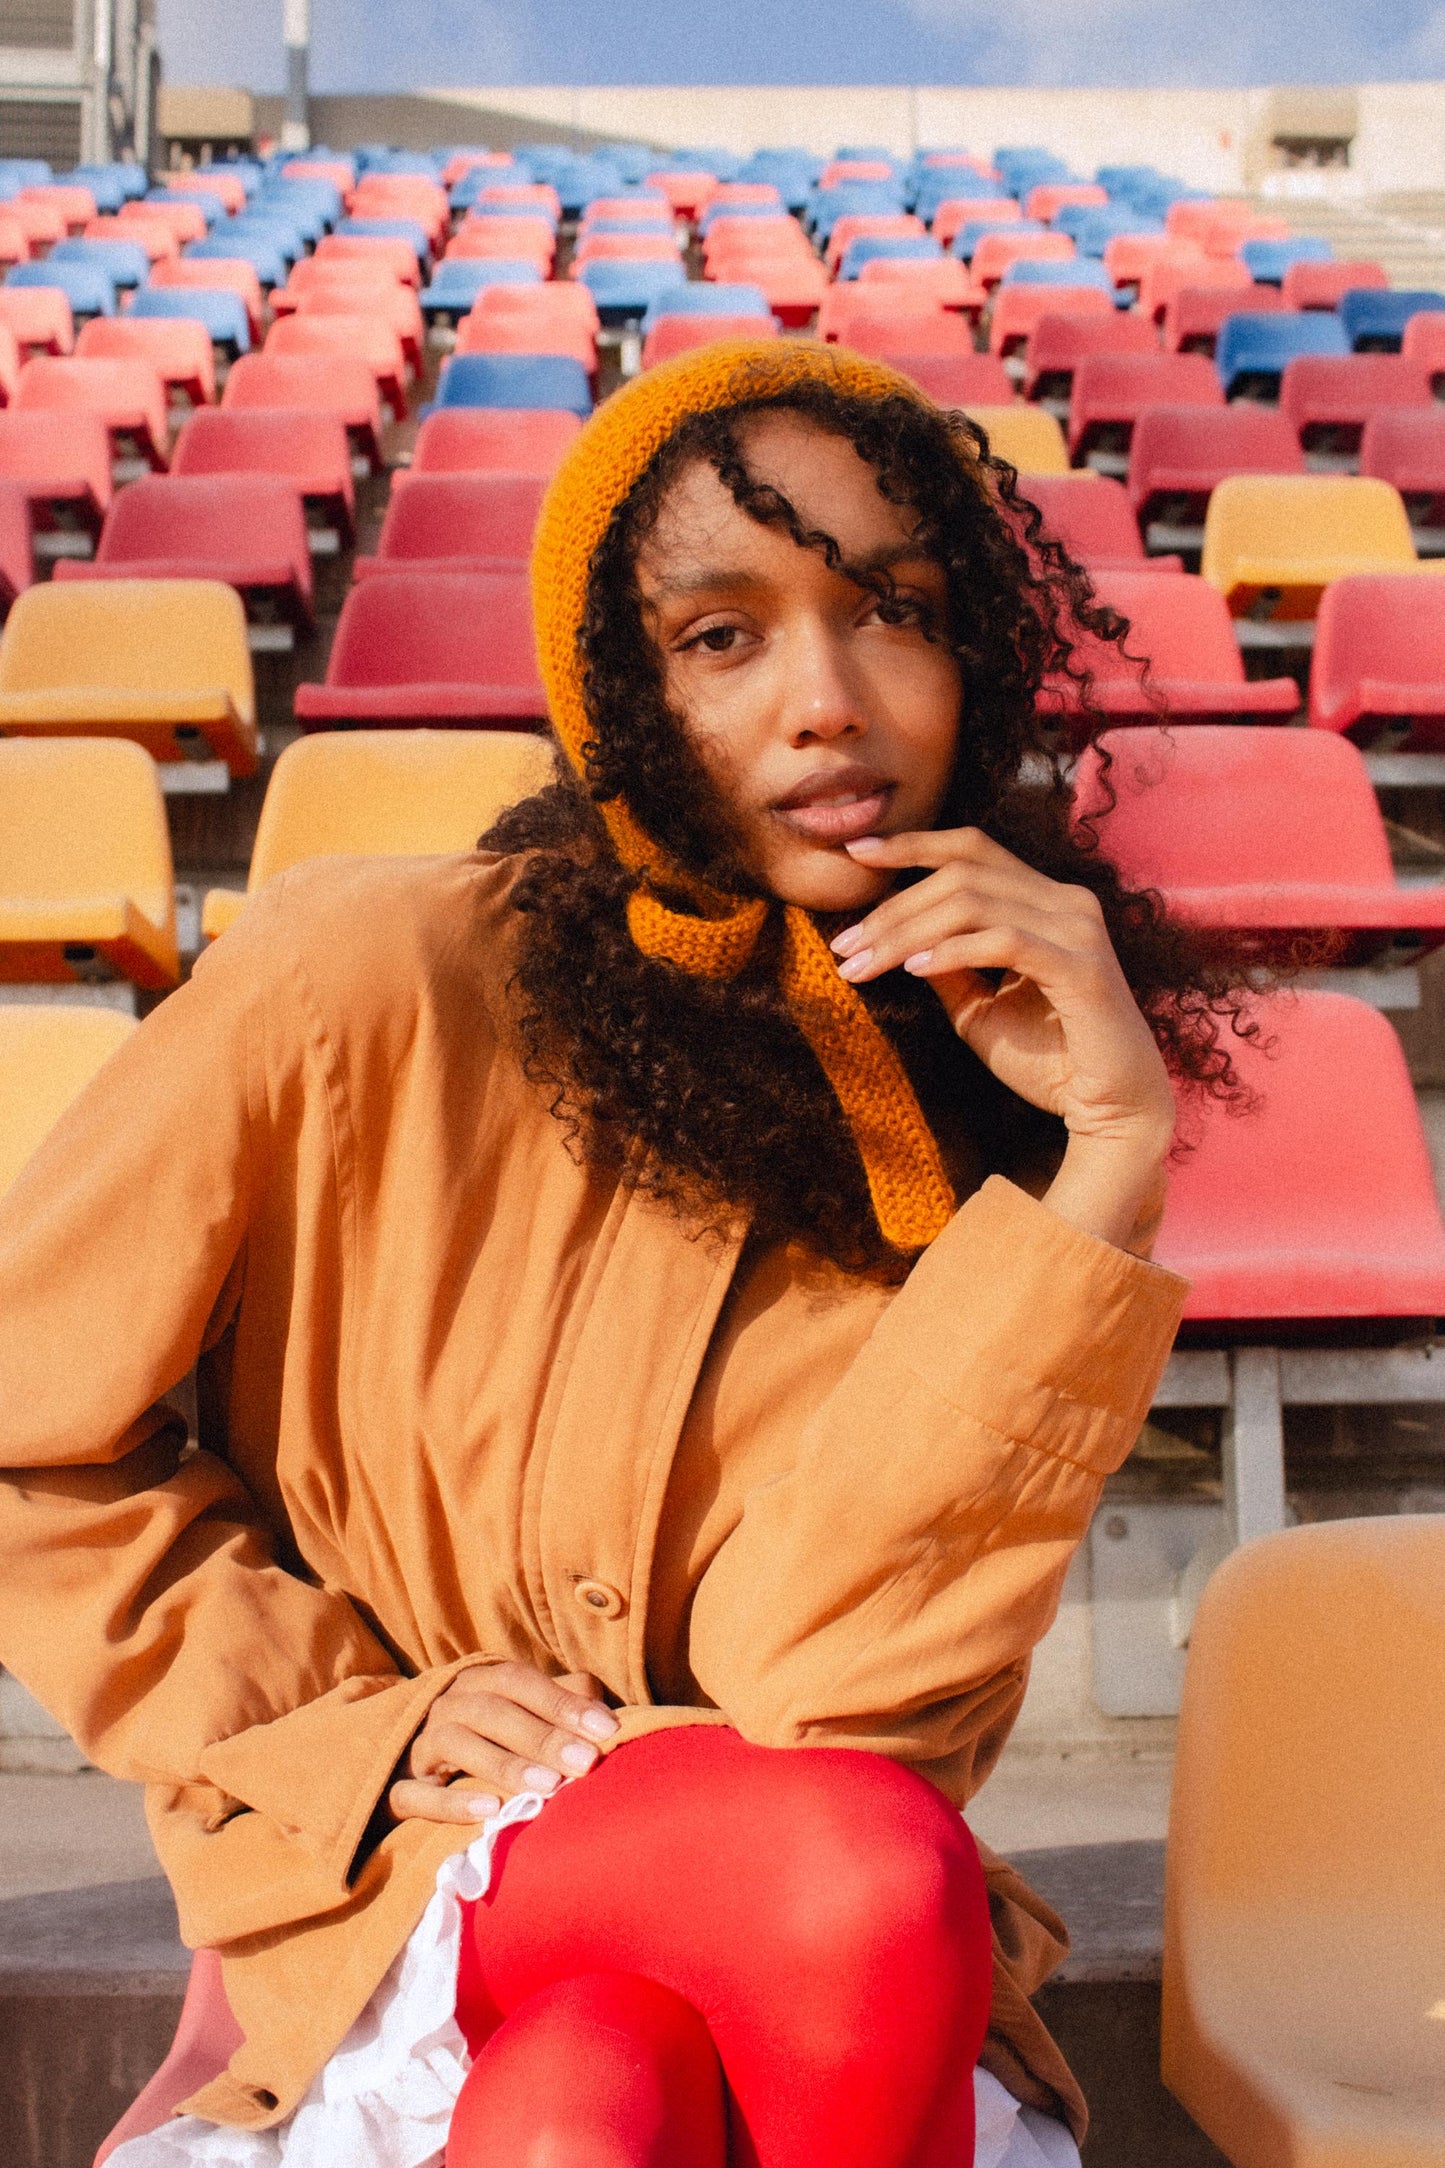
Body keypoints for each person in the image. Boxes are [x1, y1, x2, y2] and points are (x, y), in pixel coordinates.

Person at [0, 341, 1249, 2168]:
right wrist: (337, 1716)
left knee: (594, 2097)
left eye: (890, 611)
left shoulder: (990, 1091)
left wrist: (1103, 1172)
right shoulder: (362, 971)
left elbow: (822, 1689)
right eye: (721, 637)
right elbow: (32, 1417)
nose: (826, 702)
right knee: (859, 1880)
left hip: (777, 1956)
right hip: (392, 1875)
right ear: (613, 688)